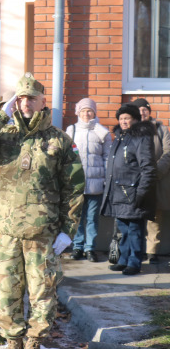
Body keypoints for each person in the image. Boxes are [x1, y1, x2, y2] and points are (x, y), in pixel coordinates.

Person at [0, 73, 84, 349]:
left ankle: (33, 345)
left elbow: (73, 189)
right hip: (6, 231)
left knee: (43, 293)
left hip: (41, 234)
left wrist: (67, 231)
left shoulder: (58, 141)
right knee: (7, 292)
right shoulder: (4, 136)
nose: (26, 102)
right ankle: (13, 343)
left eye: (32, 97)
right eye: (20, 97)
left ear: (43, 102)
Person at [101, 103, 156, 276]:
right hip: (119, 193)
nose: (124, 121)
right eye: (121, 118)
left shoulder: (142, 138)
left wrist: (141, 193)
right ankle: (123, 260)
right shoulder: (120, 138)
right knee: (123, 229)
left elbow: (148, 168)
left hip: (133, 193)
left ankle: (134, 262)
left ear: (135, 120)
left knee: (134, 230)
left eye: (127, 118)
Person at [65, 98, 112, 262]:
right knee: (76, 217)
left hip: (96, 184)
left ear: (94, 113)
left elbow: (107, 158)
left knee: (92, 218)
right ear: (78, 112)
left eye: (90, 110)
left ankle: (90, 248)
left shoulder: (102, 132)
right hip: (76, 185)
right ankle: (77, 247)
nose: (86, 113)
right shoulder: (71, 131)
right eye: (83, 110)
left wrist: (106, 180)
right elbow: (66, 157)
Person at [131, 98, 170, 264]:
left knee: (154, 217)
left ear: (149, 111)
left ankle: (151, 252)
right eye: (138, 110)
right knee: (136, 216)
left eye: (144, 109)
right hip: (136, 180)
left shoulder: (161, 129)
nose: (142, 112)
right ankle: (136, 251)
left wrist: (155, 173)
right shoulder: (132, 129)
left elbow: (168, 152)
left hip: (157, 180)